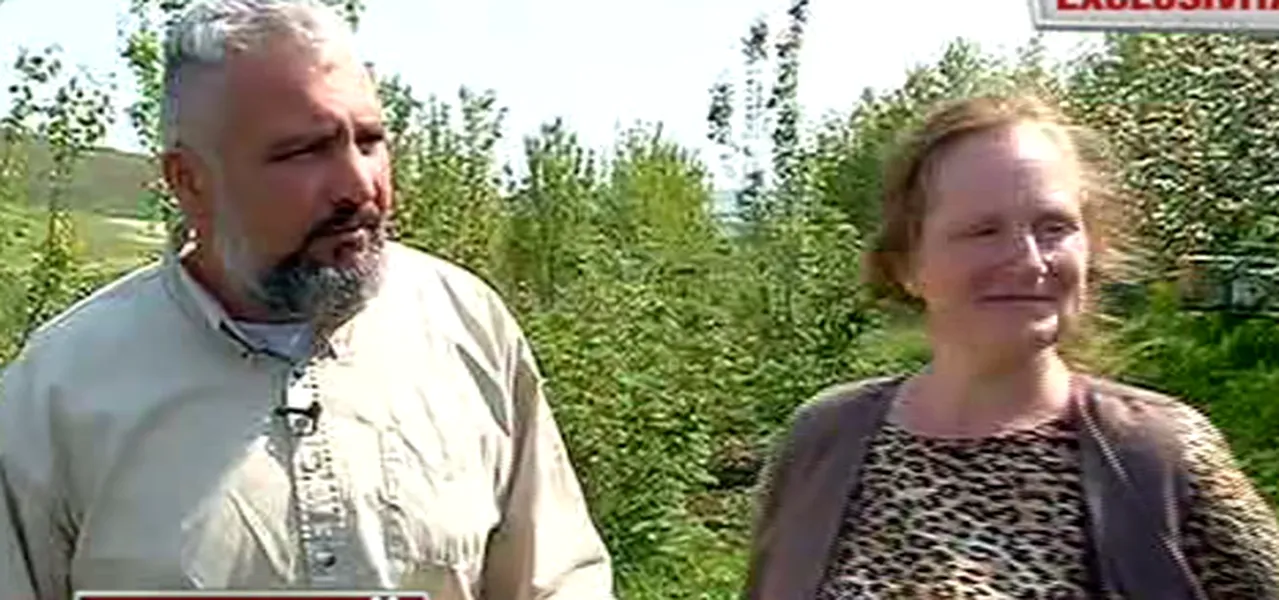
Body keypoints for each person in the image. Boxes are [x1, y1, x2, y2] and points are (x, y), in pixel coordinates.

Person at [0, 1, 614, 598]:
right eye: (303, 151)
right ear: (190, 179)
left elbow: (558, 579)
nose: (357, 185)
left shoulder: (466, 327)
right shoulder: (60, 388)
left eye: (369, 141)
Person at [743, 94, 1279, 599]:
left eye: (1053, 227)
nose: (1028, 260)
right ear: (907, 264)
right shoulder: (823, 440)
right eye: (983, 231)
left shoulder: (1159, 455)